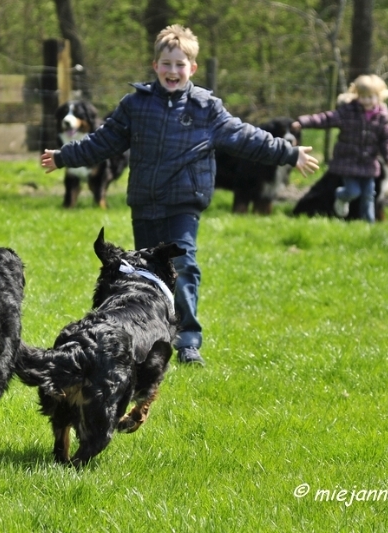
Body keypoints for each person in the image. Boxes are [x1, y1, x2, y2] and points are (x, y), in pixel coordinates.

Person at [41, 24, 319, 365]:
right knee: (147, 275)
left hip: (185, 202)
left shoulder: (207, 109)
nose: (173, 71)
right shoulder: (135, 106)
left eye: (180, 64)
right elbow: (104, 141)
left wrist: (289, 153)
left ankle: (188, 342)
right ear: (155, 65)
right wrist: (63, 156)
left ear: (192, 68)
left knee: (183, 266)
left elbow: (247, 137)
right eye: (167, 64)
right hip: (145, 203)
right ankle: (154, 339)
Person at [292, 74, 388, 222]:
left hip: (368, 165)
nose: (366, 100)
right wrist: (303, 122)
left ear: (379, 97)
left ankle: (369, 224)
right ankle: (341, 198)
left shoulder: (382, 119)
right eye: (363, 96)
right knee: (352, 191)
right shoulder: (348, 112)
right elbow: (326, 118)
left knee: (369, 195)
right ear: (357, 95)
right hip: (347, 163)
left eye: (371, 97)